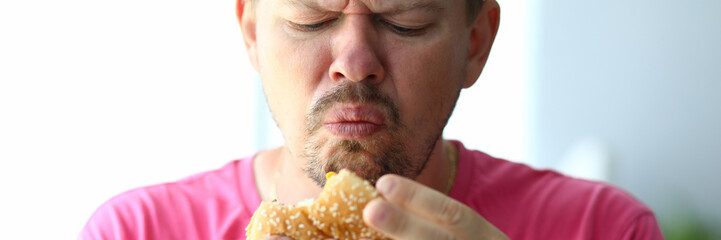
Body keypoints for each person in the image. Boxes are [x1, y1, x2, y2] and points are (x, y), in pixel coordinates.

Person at [81, 0, 665, 239]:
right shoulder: (136, 231)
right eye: (312, 18)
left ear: (476, 44)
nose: (354, 65)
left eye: (404, 20)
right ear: (253, 34)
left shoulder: (604, 229)